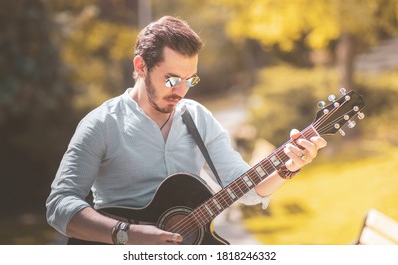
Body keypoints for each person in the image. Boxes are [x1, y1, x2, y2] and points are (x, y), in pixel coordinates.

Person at [46, 16, 327, 245]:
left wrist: (288, 167)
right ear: (141, 66)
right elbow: (60, 205)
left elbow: (246, 190)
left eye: (190, 80)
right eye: (171, 80)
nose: (181, 90)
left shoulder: (197, 117)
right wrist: (126, 234)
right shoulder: (101, 124)